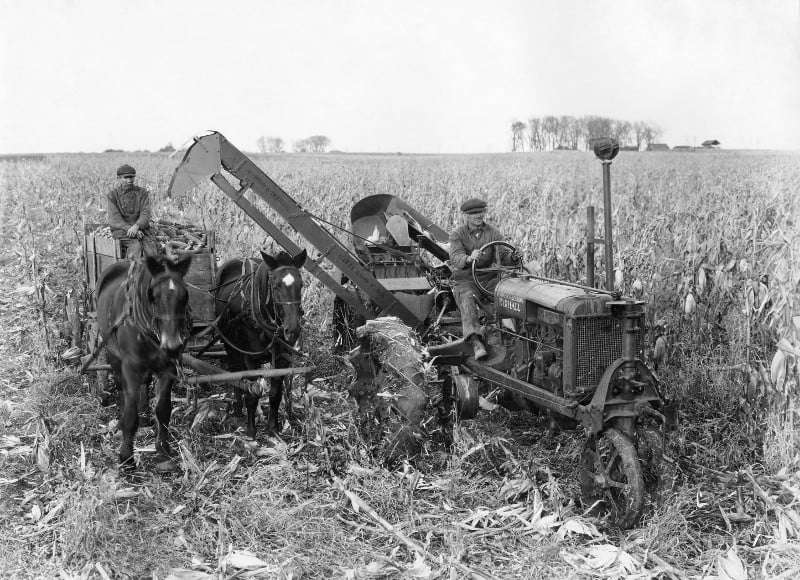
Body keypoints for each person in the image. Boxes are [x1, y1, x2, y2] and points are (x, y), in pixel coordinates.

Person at [448, 197, 518, 360]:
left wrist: (513, 257)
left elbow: (503, 254)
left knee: (510, 293)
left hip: (488, 278)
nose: (478, 216)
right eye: (473, 214)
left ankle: (512, 334)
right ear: (465, 216)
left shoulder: (493, 233)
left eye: (480, 212)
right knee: (467, 298)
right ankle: (475, 341)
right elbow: (455, 257)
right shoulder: (458, 234)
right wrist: (468, 258)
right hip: (465, 279)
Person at [107, 164, 157, 258]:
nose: (130, 180)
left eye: (132, 177)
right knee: (135, 246)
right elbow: (115, 218)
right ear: (118, 178)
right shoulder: (112, 195)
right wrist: (130, 229)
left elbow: (145, 213)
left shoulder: (142, 193)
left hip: (141, 229)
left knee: (151, 250)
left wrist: (137, 226)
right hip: (121, 231)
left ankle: (151, 271)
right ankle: (131, 271)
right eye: (126, 178)